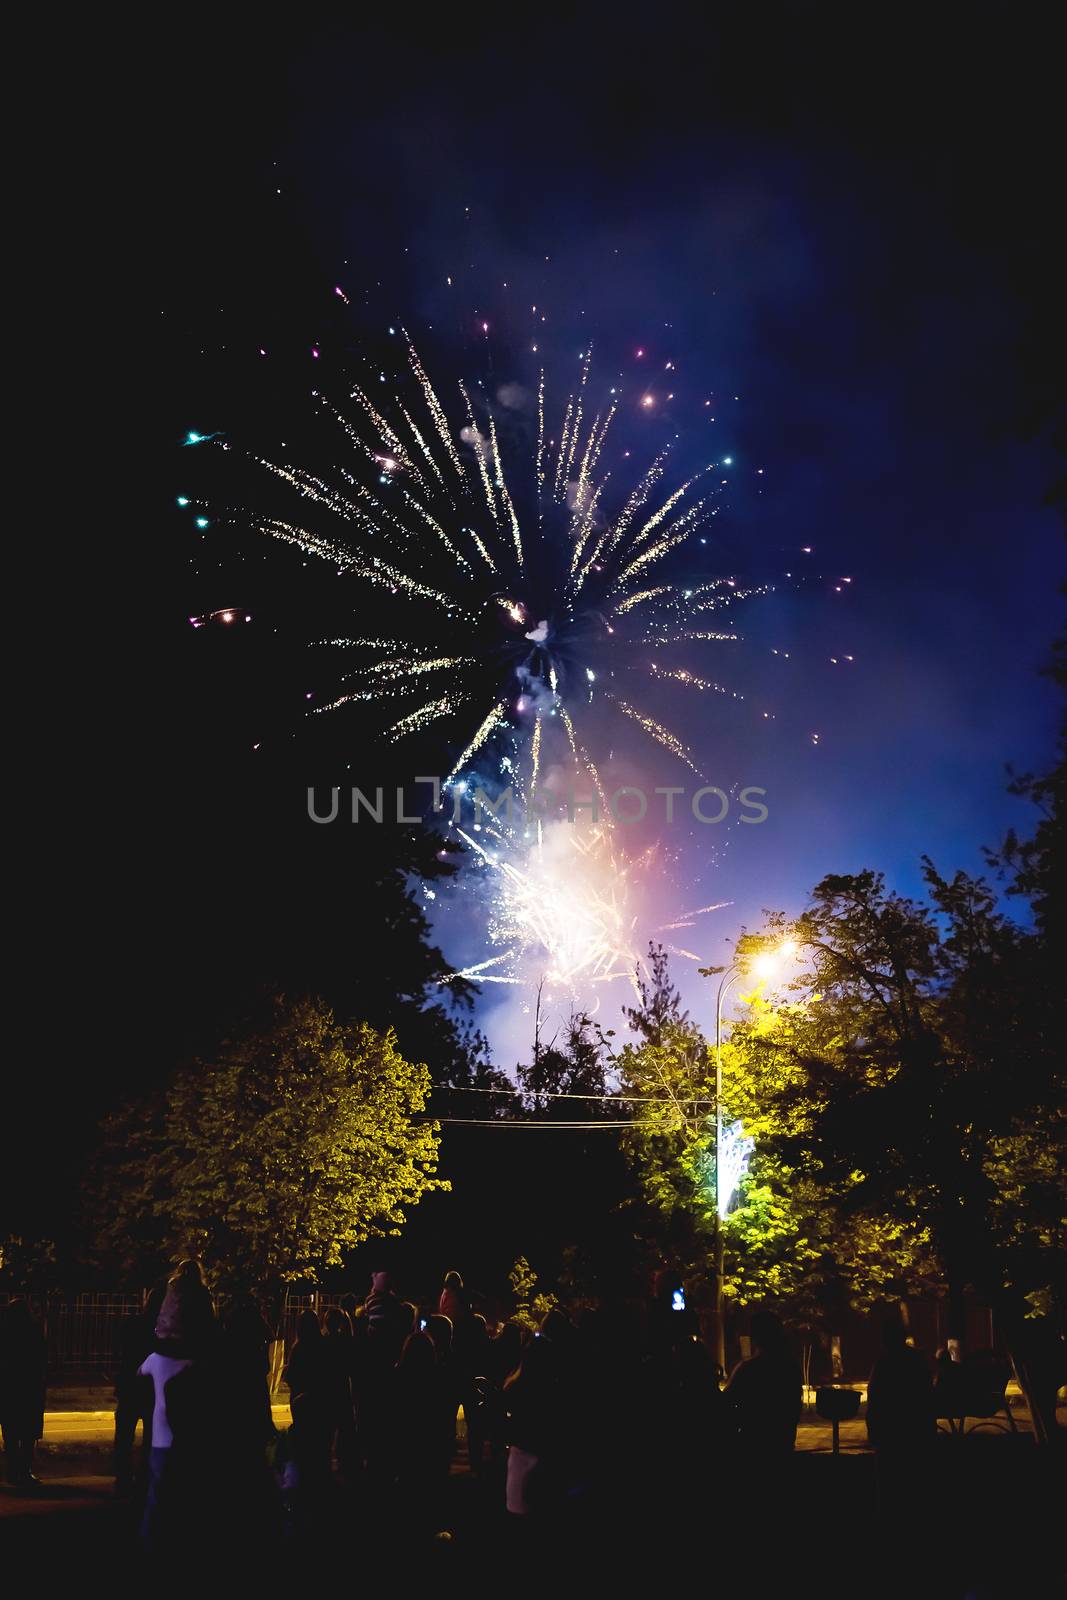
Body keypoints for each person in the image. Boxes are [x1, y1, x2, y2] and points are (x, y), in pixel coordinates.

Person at [138, 1262, 216, 1549]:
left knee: (157, 1491)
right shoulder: (197, 1364)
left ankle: (151, 1540)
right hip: (189, 1435)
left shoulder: (155, 1359)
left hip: (161, 1437)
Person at [724, 1309, 802, 1458]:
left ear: (755, 1337)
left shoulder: (749, 1369)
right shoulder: (791, 1367)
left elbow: (726, 1401)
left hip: (752, 1444)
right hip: (782, 1443)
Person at [113, 1284, 165, 1494]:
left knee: (124, 1436)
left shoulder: (132, 1324)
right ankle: (144, 1478)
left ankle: (123, 1478)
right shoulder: (162, 1331)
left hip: (129, 1387)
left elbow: (123, 1350)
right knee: (151, 1437)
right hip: (151, 1389)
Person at [866, 1321, 934, 1453]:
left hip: (889, 1433)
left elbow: (874, 1399)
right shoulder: (917, 1360)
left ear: (885, 1341)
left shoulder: (883, 1364)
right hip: (917, 1431)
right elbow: (927, 1394)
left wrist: (874, 1432)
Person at [0, 1299, 47, 1489]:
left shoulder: (5, 1333)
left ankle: (13, 1472)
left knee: (11, 1435)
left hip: (9, 1390)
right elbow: (41, 1360)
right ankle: (25, 1471)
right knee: (27, 1435)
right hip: (29, 1390)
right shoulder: (34, 1331)